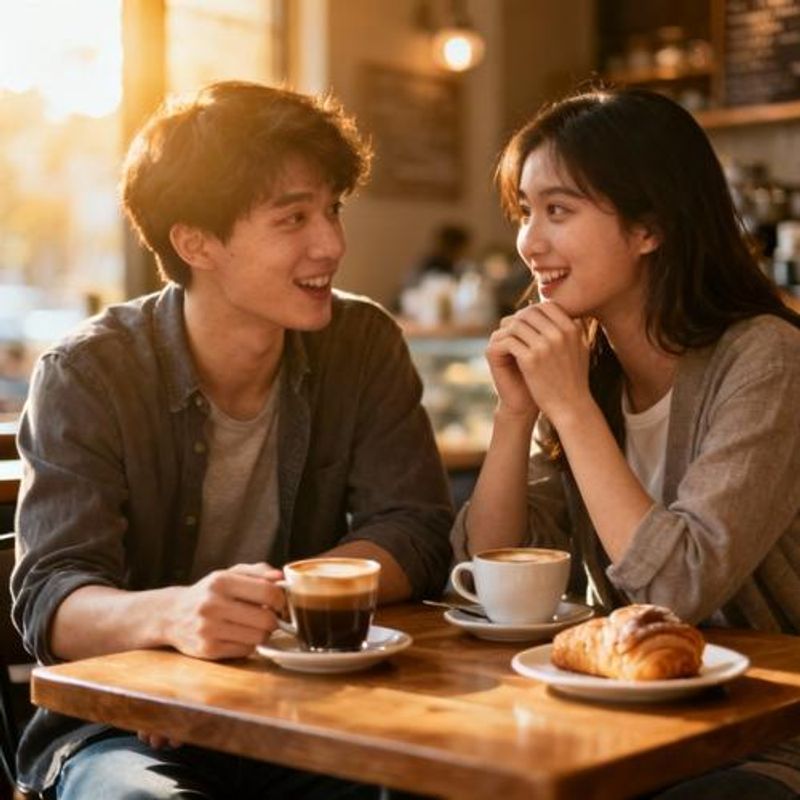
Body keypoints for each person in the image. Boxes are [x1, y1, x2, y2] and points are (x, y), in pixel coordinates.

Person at [11, 80, 453, 799]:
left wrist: (273, 605)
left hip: (308, 712)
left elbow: (417, 532)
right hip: (128, 730)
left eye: (332, 210)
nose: (332, 243)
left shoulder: (362, 342)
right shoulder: (89, 372)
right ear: (195, 242)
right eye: (293, 218)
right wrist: (179, 618)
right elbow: (51, 600)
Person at [452, 87, 800, 799]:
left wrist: (571, 408)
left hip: (766, 734)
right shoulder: (590, 372)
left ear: (651, 226)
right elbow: (486, 581)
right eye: (526, 211)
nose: (529, 242)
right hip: (630, 719)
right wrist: (517, 413)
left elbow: (679, 590)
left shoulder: (768, 358)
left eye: (559, 210)